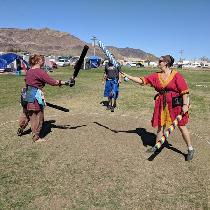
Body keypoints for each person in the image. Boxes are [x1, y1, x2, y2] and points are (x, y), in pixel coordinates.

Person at [121, 55, 194, 161]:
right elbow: (143, 80)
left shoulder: (176, 75)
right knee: (160, 125)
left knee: (181, 126)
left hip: (175, 104)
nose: (158, 62)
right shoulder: (156, 75)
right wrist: (129, 76)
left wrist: (185, 105)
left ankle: (190, 149)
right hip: (162, 103)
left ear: (166, 63)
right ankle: (157, 146)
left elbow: (184, 91)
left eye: (160, 61)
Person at [17, 54, 74, 143]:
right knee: (37, 116)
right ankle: (36, 137)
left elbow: (27, 82)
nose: (43, 61)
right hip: (35, 96)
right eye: (42, 60)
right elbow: (52, 82)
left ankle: (21, 127)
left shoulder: (29, 71)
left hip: (28, 94)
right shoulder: (40, 72)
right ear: (38, 61)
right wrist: (66, 83)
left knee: (27, 113)